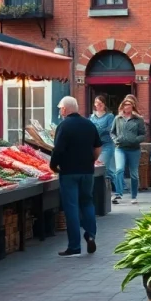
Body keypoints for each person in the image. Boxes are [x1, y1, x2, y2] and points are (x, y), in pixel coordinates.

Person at [49, 96, 100, 258]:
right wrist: (91, 160)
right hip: (87, 171)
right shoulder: (89, 124)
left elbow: (58, 149)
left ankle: (74, 246)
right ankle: (90, 235)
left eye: (60, 109)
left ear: (64, 109)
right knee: (87, 202)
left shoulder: (64, 126)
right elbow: (98, 147)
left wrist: (53, 165)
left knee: (71, 207)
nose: (60, 111)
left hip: (69, 172)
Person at [111, 94, 145, 205]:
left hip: (134, 149)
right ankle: (118, 193)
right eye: (125, 105)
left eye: (129, 105)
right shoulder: (118, 118)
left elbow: (143, 134)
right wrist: (115, 140)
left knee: (134, 173)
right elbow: (112, 132)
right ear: (122, 106)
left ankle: (134, 196)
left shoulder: (138, 119)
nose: (127, 107)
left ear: (133, 106)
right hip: (120, 148)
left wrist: (135, 140)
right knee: (119, 169)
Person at [89, 95, 117, 195]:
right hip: (95, 146)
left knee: (101, 164)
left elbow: (109, 129)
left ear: (104, 104)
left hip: (106, 145)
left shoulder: (110, 116)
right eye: (97, 103)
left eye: (101, 103)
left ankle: (110, 189)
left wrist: (96, 131)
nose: (99, 105)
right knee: (107, 169)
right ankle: (113, 187)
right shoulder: (92, 117)